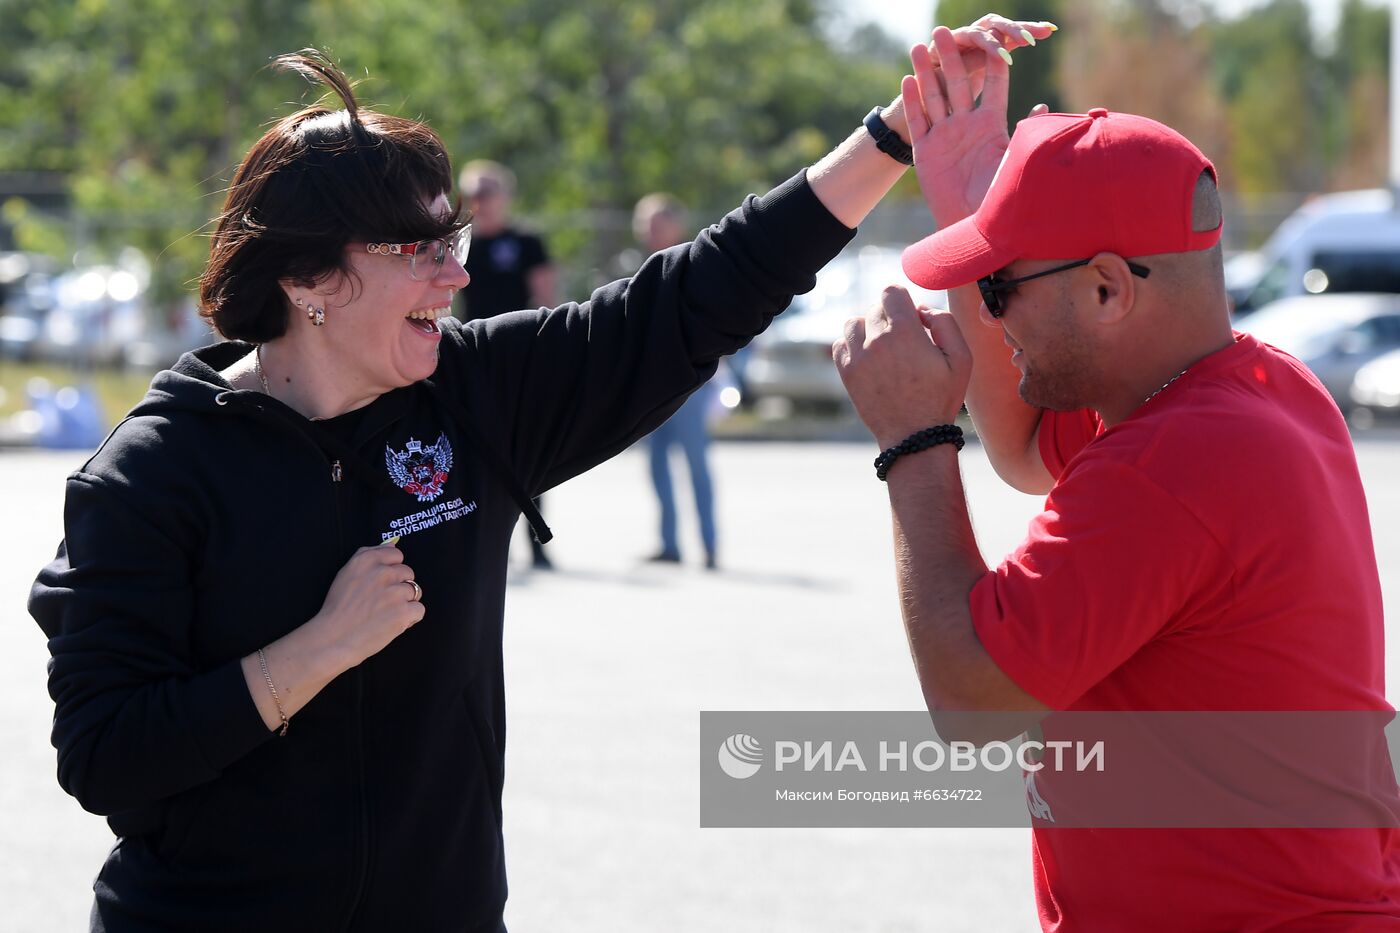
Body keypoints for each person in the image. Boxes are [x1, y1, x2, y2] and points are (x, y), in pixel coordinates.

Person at [28, 23, 1049, 932]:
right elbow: (105, 751)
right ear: (305, 283)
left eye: (453, 239)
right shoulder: (151, 478)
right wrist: (317, 650)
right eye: (416, 248)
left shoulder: (471, 396)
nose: (456, 273)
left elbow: (691, 298)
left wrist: (890, 138)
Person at [832, 24, 1400, 931]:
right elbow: (1022, 446)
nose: (987, 311)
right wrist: (972, 209)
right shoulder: (1247, 390)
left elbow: (974, 703)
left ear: (1107, 289)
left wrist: (914, 438)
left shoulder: (1176, 462)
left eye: (997, 286)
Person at [457, 159, 558, 569]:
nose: (480, 200)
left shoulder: (526, 242)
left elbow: (545, 297)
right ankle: (487, 546)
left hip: (520, 360)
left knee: (531, 453)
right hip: (475, 360)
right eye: (473, 192)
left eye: (488, 191)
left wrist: (545, 354)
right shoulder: (457, 247)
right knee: (479, 455)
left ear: (506, 196)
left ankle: (537, 543)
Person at [634, 193, 719, 568]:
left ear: (676, 226)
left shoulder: (696, 263)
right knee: (656, 467)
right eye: (646, 224)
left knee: (696, 466)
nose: (650, 231)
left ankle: (710, 545)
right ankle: (670, 544)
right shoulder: (635, 268)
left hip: (690, 381)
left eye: (657, 222)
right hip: (648, 383)